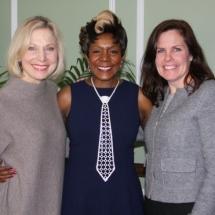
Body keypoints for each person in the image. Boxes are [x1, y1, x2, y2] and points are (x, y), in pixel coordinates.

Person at [58, 10, 152, 215]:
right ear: (86, 56)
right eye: (97, 51)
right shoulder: (68, 96)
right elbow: (41, 137)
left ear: (122, 55)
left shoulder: (138, 97)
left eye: (113, 51)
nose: (105, 59)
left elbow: (163, 141)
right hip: (78, 195)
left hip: (124, 196)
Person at [141, 19, 215, 215]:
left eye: (176, 49)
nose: (168, 58)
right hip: (151, 202)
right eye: (161, 51)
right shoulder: (159, 97)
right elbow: (129, 130)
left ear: (191, 54)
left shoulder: (207, 93)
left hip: (188, 206)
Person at [0, 16, 67, 215]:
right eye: (32, 48)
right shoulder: (4, 101)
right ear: (18, 54)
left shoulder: (52, 93)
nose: (42, 57)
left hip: (51, 202)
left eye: (49, 48)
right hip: (17, 206)